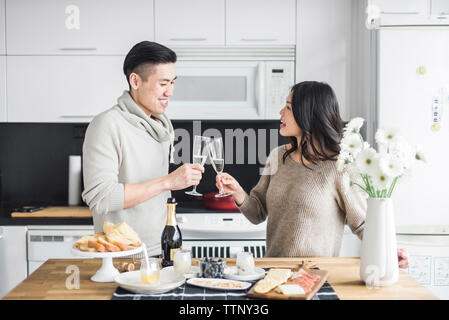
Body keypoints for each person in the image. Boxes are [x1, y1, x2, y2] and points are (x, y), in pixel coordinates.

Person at [216, 81, 409, 268]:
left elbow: (363, 224)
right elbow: (257, 212)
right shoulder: (277, 156)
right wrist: (238, 192)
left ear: (309, 115)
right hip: (273, 274)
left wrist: (390, 252)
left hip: (315, 278)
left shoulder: (340, 166)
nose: (281, 112)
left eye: (289, 108)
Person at [82, 41, 204, 256]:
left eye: (173, 83)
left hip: (162, 247)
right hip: (123, 254)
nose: (170, 92)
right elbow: (101, 199)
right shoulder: (107, 124)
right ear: (135, 81)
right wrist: (168, 182)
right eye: (163, 83)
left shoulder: (160, 125)